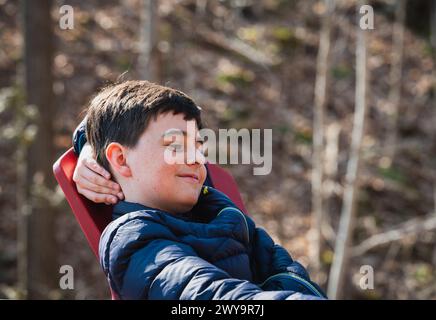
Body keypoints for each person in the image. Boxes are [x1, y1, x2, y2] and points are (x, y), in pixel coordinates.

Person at [72, 80, 327, 300]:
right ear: (120, 159)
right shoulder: (134, 239)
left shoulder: (220, 210)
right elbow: (205, 294)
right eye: (176, 146)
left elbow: (289, 273)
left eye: (198, 147)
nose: (197, 159)